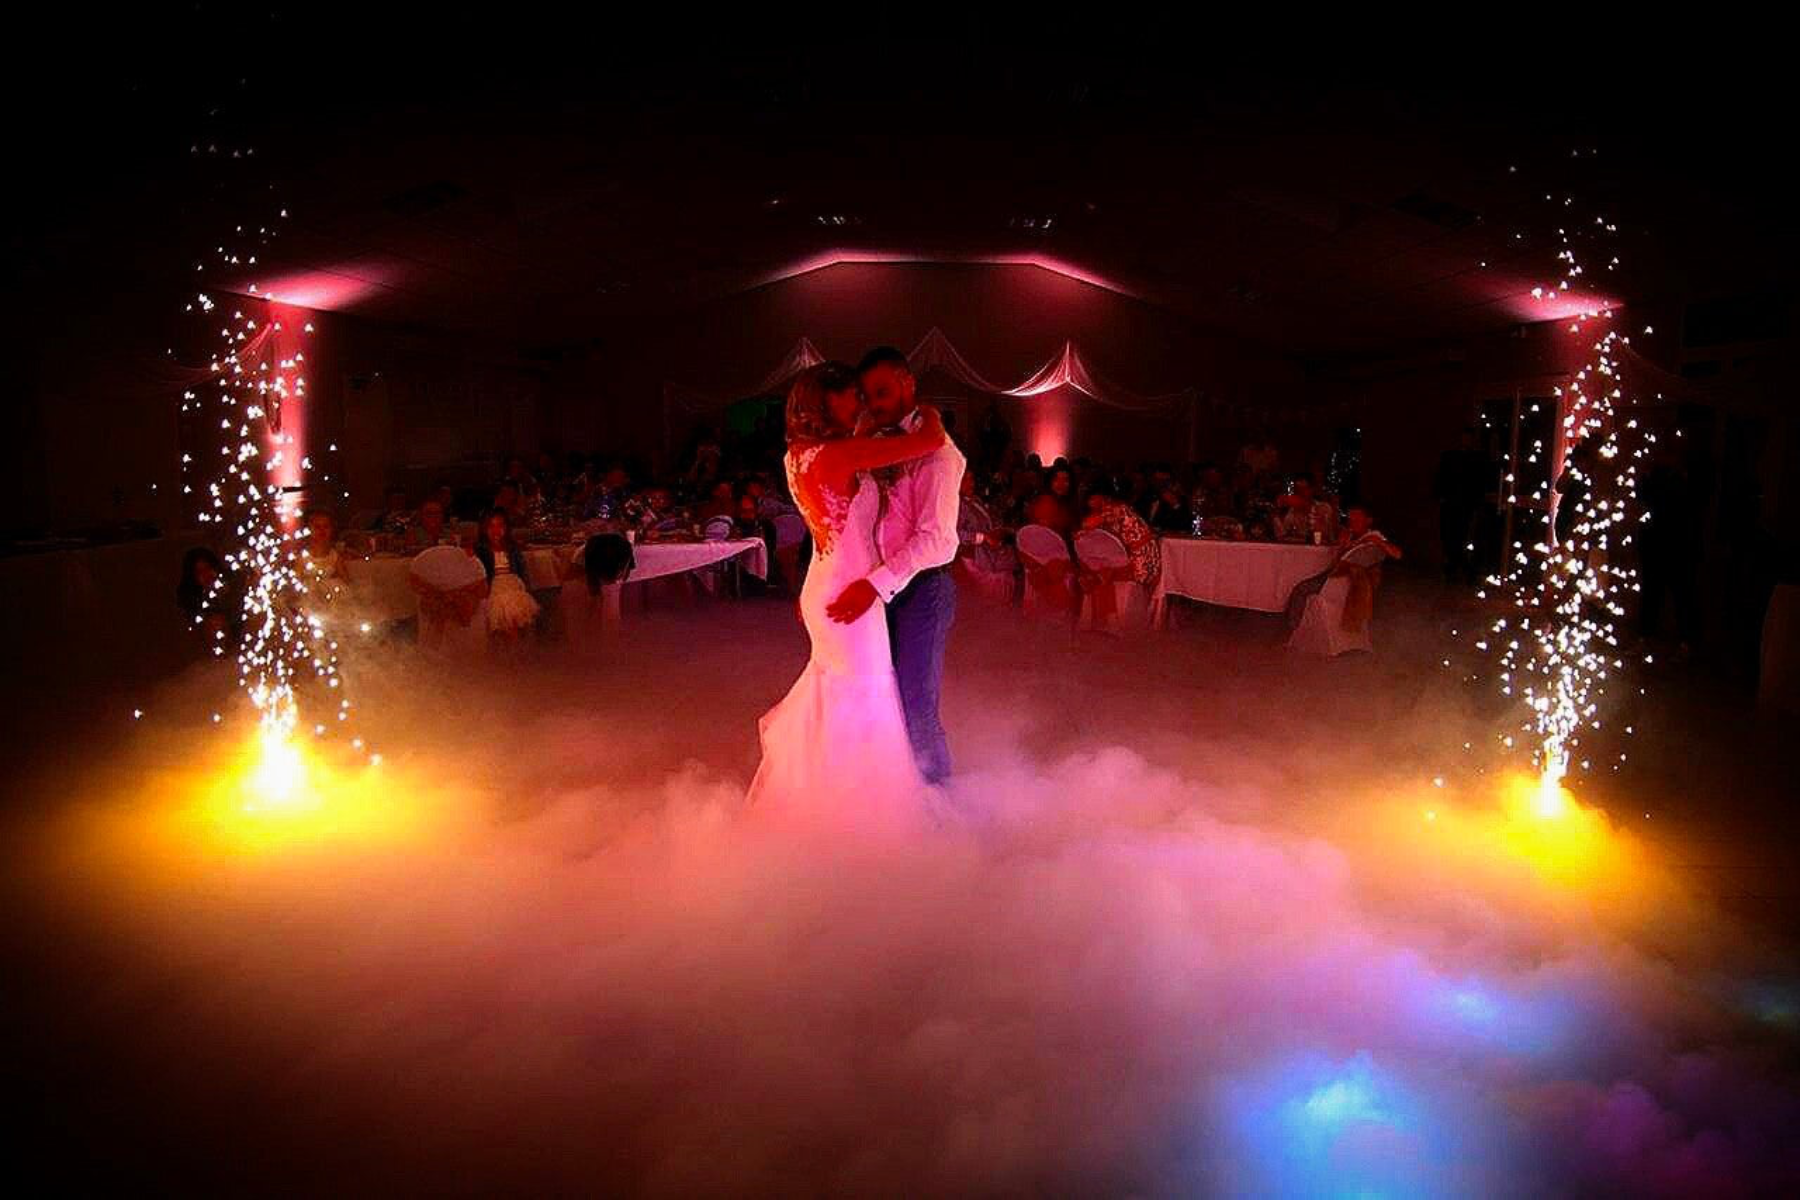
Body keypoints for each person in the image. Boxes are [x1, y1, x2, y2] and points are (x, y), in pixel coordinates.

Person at [744, 361, 953, 826]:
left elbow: (827, 528)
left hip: (825, 580)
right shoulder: (838, 455)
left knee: (836, 693)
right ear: (825, 399)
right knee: (865, 698)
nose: (861, 403)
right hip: (850, 591)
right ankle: (856, 818)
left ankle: (824, 806)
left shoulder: (799, 453)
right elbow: (929, 441)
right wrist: (931, 411)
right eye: (852, 395)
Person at [474, 508, 540, 639]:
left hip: (514, 586)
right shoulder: (481, 549)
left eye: (500, 526)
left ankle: (518, 647)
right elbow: (478, 571)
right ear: (484, 529)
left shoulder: (512, 548)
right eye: (491, 526)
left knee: (518, 622)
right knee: (504, 622)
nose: (496, 530)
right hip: (495, 588)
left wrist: (527, 588)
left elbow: (522, 570)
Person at [1433, 427, 1487, 584]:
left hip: (1465, 505)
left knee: (1461, 538)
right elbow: (1441, 477)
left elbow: (1479, 483)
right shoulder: (1450, 456)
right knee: (1449, 537)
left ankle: (1462, 570)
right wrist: (1441, 497)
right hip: (1450, 504)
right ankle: (1455, 568)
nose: (1466, 441)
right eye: (1464, 438)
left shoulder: (1476, 459)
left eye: (1468, 438)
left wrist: (1476, 503)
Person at [1081, 483, 1162, 587]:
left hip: (1141, 553)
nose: (1089, 503)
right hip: (1139, 551)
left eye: (1091, 499)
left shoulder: (1114, 508)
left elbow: (1087, 524)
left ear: (1100, 497)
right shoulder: (1117, 508)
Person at [175, 546, 240, 647]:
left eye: (208, 568)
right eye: (200, 572)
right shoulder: (195, 604)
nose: (206, 574)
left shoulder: (234, 587)